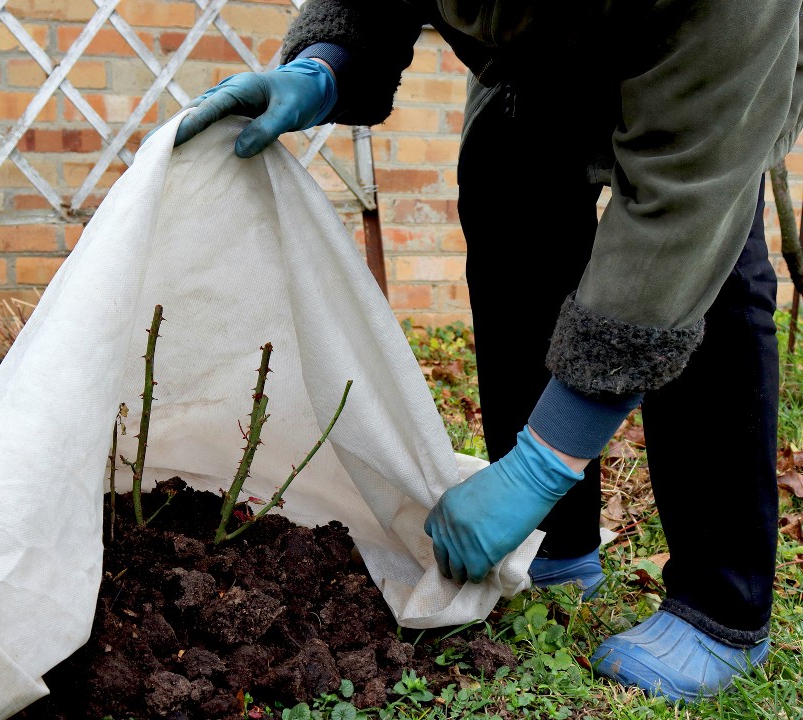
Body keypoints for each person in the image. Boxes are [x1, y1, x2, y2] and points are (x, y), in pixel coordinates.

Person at [170, 0, 803, 703]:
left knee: (707, 262)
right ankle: (554, 546)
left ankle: (720, 605)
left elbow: (684, 208)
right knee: (507, 175)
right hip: (537, 52)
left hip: (707, 63)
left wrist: (544, 461)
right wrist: (328, 63)